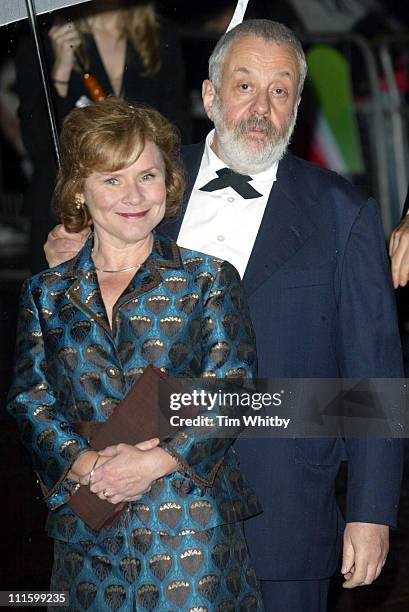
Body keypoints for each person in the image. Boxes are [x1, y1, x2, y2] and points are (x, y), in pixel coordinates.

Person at [44, 20, 404, 612]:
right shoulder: (145, 188)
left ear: (296, 106)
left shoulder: (344, 213)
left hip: (283, 510)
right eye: (244, 87)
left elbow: (374, 382)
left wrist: (370, 515)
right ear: (210, 97)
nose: (261, 107)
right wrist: (70, 262)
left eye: (280, 90)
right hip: (145, 508)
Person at [7, 98, 264, 611]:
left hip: (189, 537)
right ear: (79, 190)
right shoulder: (47, 293)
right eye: (112, 179)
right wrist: (83, 464)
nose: (133, 195)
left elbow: (232, 391)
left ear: (167, 184)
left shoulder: (207, 280)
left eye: (147, 176)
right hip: (89, 531)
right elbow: (29, 399)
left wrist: (152, 463)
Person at [15, 0, 190, 273]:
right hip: (68, 213)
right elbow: (36, 144)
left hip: (139, 210)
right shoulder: (42, 43)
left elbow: (178, 132)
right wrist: (60, 71)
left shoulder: (159, 36)